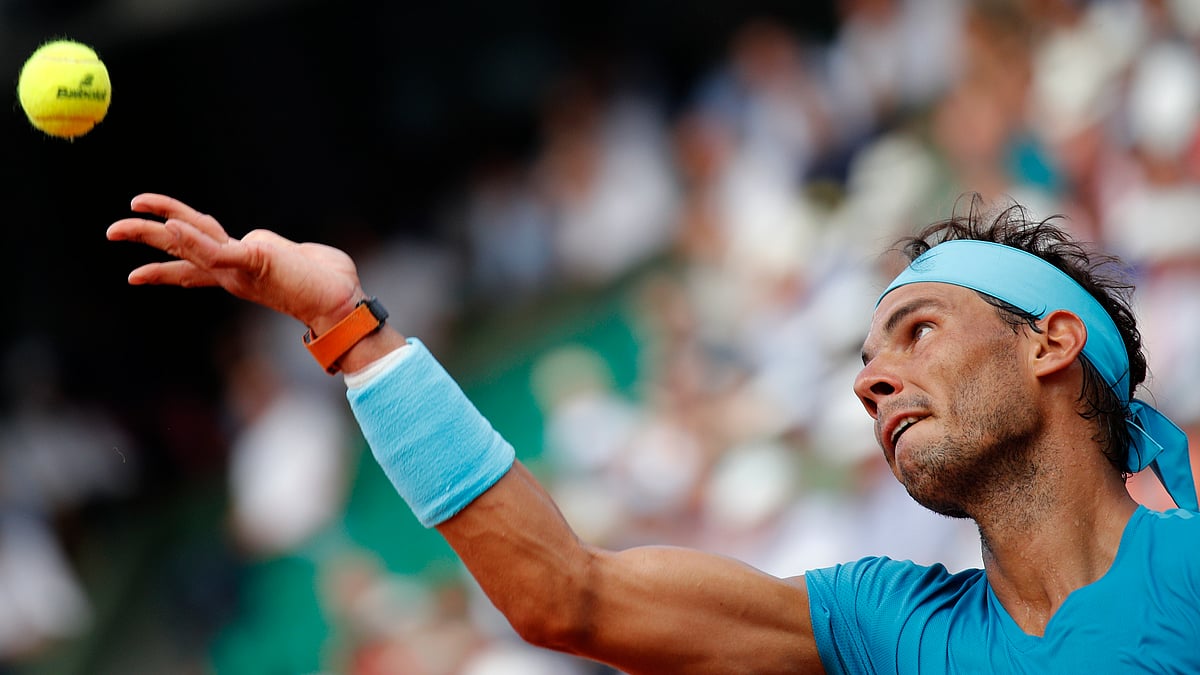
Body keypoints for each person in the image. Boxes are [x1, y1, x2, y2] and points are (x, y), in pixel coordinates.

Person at [107, 193, 1199, 673]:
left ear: (1051, 345)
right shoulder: (884, 625)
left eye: (916, 331)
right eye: (867, 358)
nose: (873, 380)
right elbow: (566, 597)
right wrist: (345, 328)